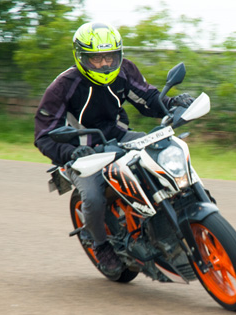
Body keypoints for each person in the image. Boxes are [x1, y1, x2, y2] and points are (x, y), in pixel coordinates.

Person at [34, 22, 193, 278]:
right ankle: (100, 245)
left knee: (160, 151)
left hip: (117, 136)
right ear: (81, 57)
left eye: (110, 56)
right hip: (81, 151)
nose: (105, 64)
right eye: (96, 58)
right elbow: (43, 136)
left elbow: (147, 98)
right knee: (94, 197)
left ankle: (181, 206)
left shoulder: (125, 69)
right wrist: (70, 153)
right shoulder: (63, 86)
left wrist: (172, 103)